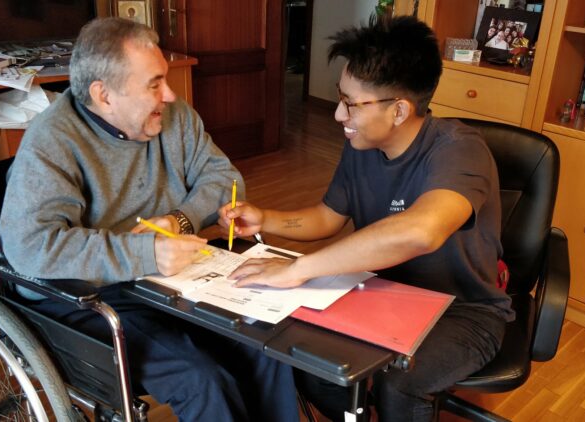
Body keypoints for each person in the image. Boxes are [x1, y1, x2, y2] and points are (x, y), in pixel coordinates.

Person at [0, 17, 298, 421]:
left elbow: (225, 180)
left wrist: (181, 220)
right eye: (154, 84)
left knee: (266, 344)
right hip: (84, 296)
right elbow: (32, 246)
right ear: (104, 95)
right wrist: (146, 253)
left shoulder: (174, 117)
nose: (170, 95)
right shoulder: (52, 142)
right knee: (200, 379)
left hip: (164, 279)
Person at [218, 15, 513, 421]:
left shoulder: (460, 149)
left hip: (463, 312)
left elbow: (421, 230)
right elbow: (328, 216)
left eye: (351, 104)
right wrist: (264, 218)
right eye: (340, 99)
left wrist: (298, 269)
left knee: (401, 382)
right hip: (379, 294)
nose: (339, 115)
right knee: (309, 360)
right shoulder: (361, 146)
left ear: (399, 110)